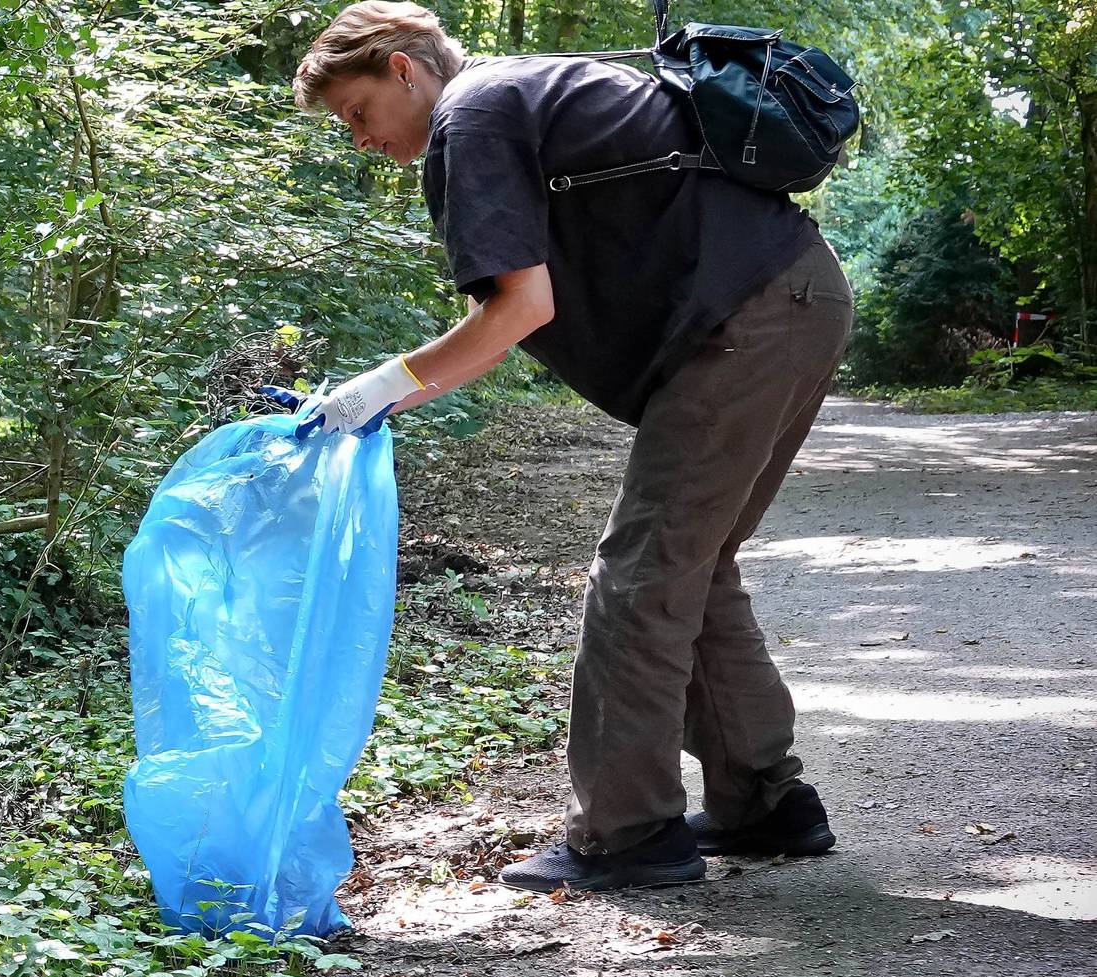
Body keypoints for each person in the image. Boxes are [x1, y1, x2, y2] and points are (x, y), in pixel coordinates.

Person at [290, 2, 851, 891]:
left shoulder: (470, 114)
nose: (358, 138)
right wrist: (386, 392)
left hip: (745, 317)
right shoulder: (517, 90)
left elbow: (518, 310)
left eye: (357, 112)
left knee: (641, 572)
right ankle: (765, 803)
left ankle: (627, 833)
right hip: (791, 298)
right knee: (691, 563)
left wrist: (372, 393)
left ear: (404, 70)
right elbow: (521, 299)